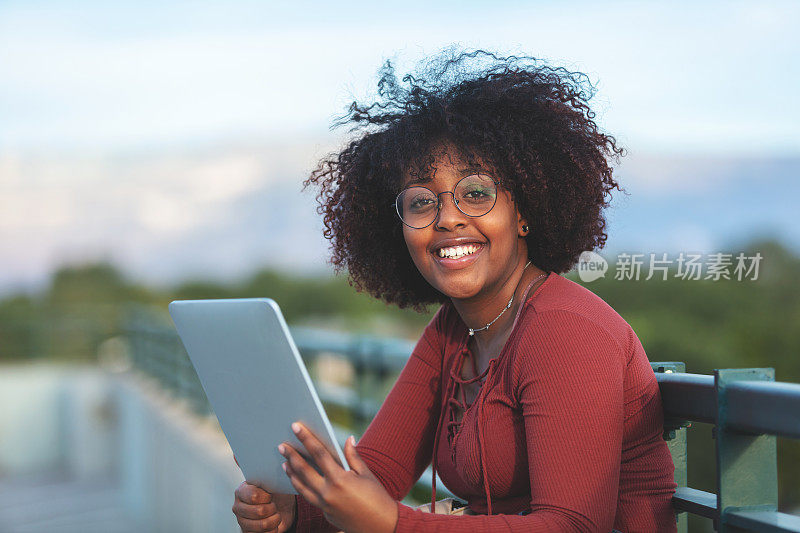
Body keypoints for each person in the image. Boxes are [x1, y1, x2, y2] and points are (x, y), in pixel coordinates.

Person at [231, 48, 677, 533]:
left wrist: (396, 526)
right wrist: (296, 511)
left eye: (476, 193)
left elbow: (571, 525)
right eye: (422, 201)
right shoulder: (454, 330)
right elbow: (376, 476)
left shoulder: (566, 332)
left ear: (524, 211)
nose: (447, 218)